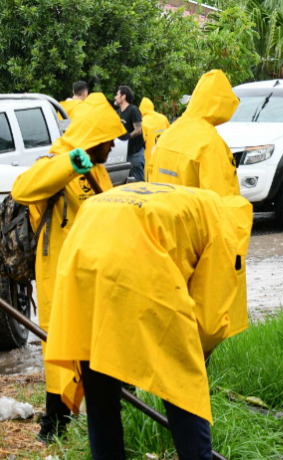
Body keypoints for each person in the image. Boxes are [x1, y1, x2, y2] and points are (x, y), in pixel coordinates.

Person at [44, 183, 252, 460]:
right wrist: (195, 354)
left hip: (80, 256)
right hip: (130, 259)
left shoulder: (187, 199)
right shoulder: (223, 227)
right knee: (183, 379)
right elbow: (210, 322)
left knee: (99, 373)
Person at [11, 92, 126, 443]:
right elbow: (22, 189)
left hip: (96, 274)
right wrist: (68, 165)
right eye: (108, 140)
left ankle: (106, 411)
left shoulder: (100, 168)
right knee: (60, 347)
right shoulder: (57, 159)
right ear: (94, 137)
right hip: (60, 275)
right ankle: (54, 423)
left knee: (100, 345)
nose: (113, 146)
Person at [146, 70, 249, 342]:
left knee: (171, 317)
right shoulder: (209, 143)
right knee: (204, 324)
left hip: (162, 237)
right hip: (198, 245)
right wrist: (235, 251)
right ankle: (199, 378)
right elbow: (222, 202)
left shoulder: (170, 133)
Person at [115, 85, 145, 182]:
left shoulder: (133, 110)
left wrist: (126, 138)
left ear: (123, 97)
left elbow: (138, 129)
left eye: (117, 94)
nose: (115, 97)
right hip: (123, 154)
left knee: (138, 183)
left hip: (135, 154)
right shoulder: (118, 112)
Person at [139, 97, 171, 179]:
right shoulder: (163, 119)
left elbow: (141, 141)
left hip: (149, 158)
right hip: (163, 156)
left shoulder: (142, 122)